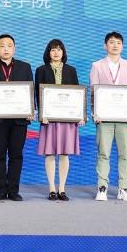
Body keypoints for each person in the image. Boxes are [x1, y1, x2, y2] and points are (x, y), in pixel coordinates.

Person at [0, 34, 34, 201]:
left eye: (9, 46)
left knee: (16, 155)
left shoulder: (25, 67)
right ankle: (1, 189)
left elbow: (30, 91)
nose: (6, 49)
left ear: (14, 48)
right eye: (2, 46)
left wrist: (30, 110)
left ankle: (14, 190)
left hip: (19, 119)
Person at [89, 31, 127, 202]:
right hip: (104, 118)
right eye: (111, 42)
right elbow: (93, 91)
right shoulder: (97, 65)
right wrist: (96, 113)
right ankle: (102, 187)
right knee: (104, 153)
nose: (115, 45)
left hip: (124, 118)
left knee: (125, 154)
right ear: (105, 46)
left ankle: (124, 188)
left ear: (122, 46)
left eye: (118, 42)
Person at [34, 39, 83, 201]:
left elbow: (77, 94)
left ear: (63, 52)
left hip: (67, 118)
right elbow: (37, 94)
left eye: (59, 49)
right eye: (53, 49)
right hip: (48, 118)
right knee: (49, 153)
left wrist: (79, 115)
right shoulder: (41, 70)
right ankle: (51, 188)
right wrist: (42, 114)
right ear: (48, 52)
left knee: (64, 153)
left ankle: (62, 188)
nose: (56, 52)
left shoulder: (71, 70)